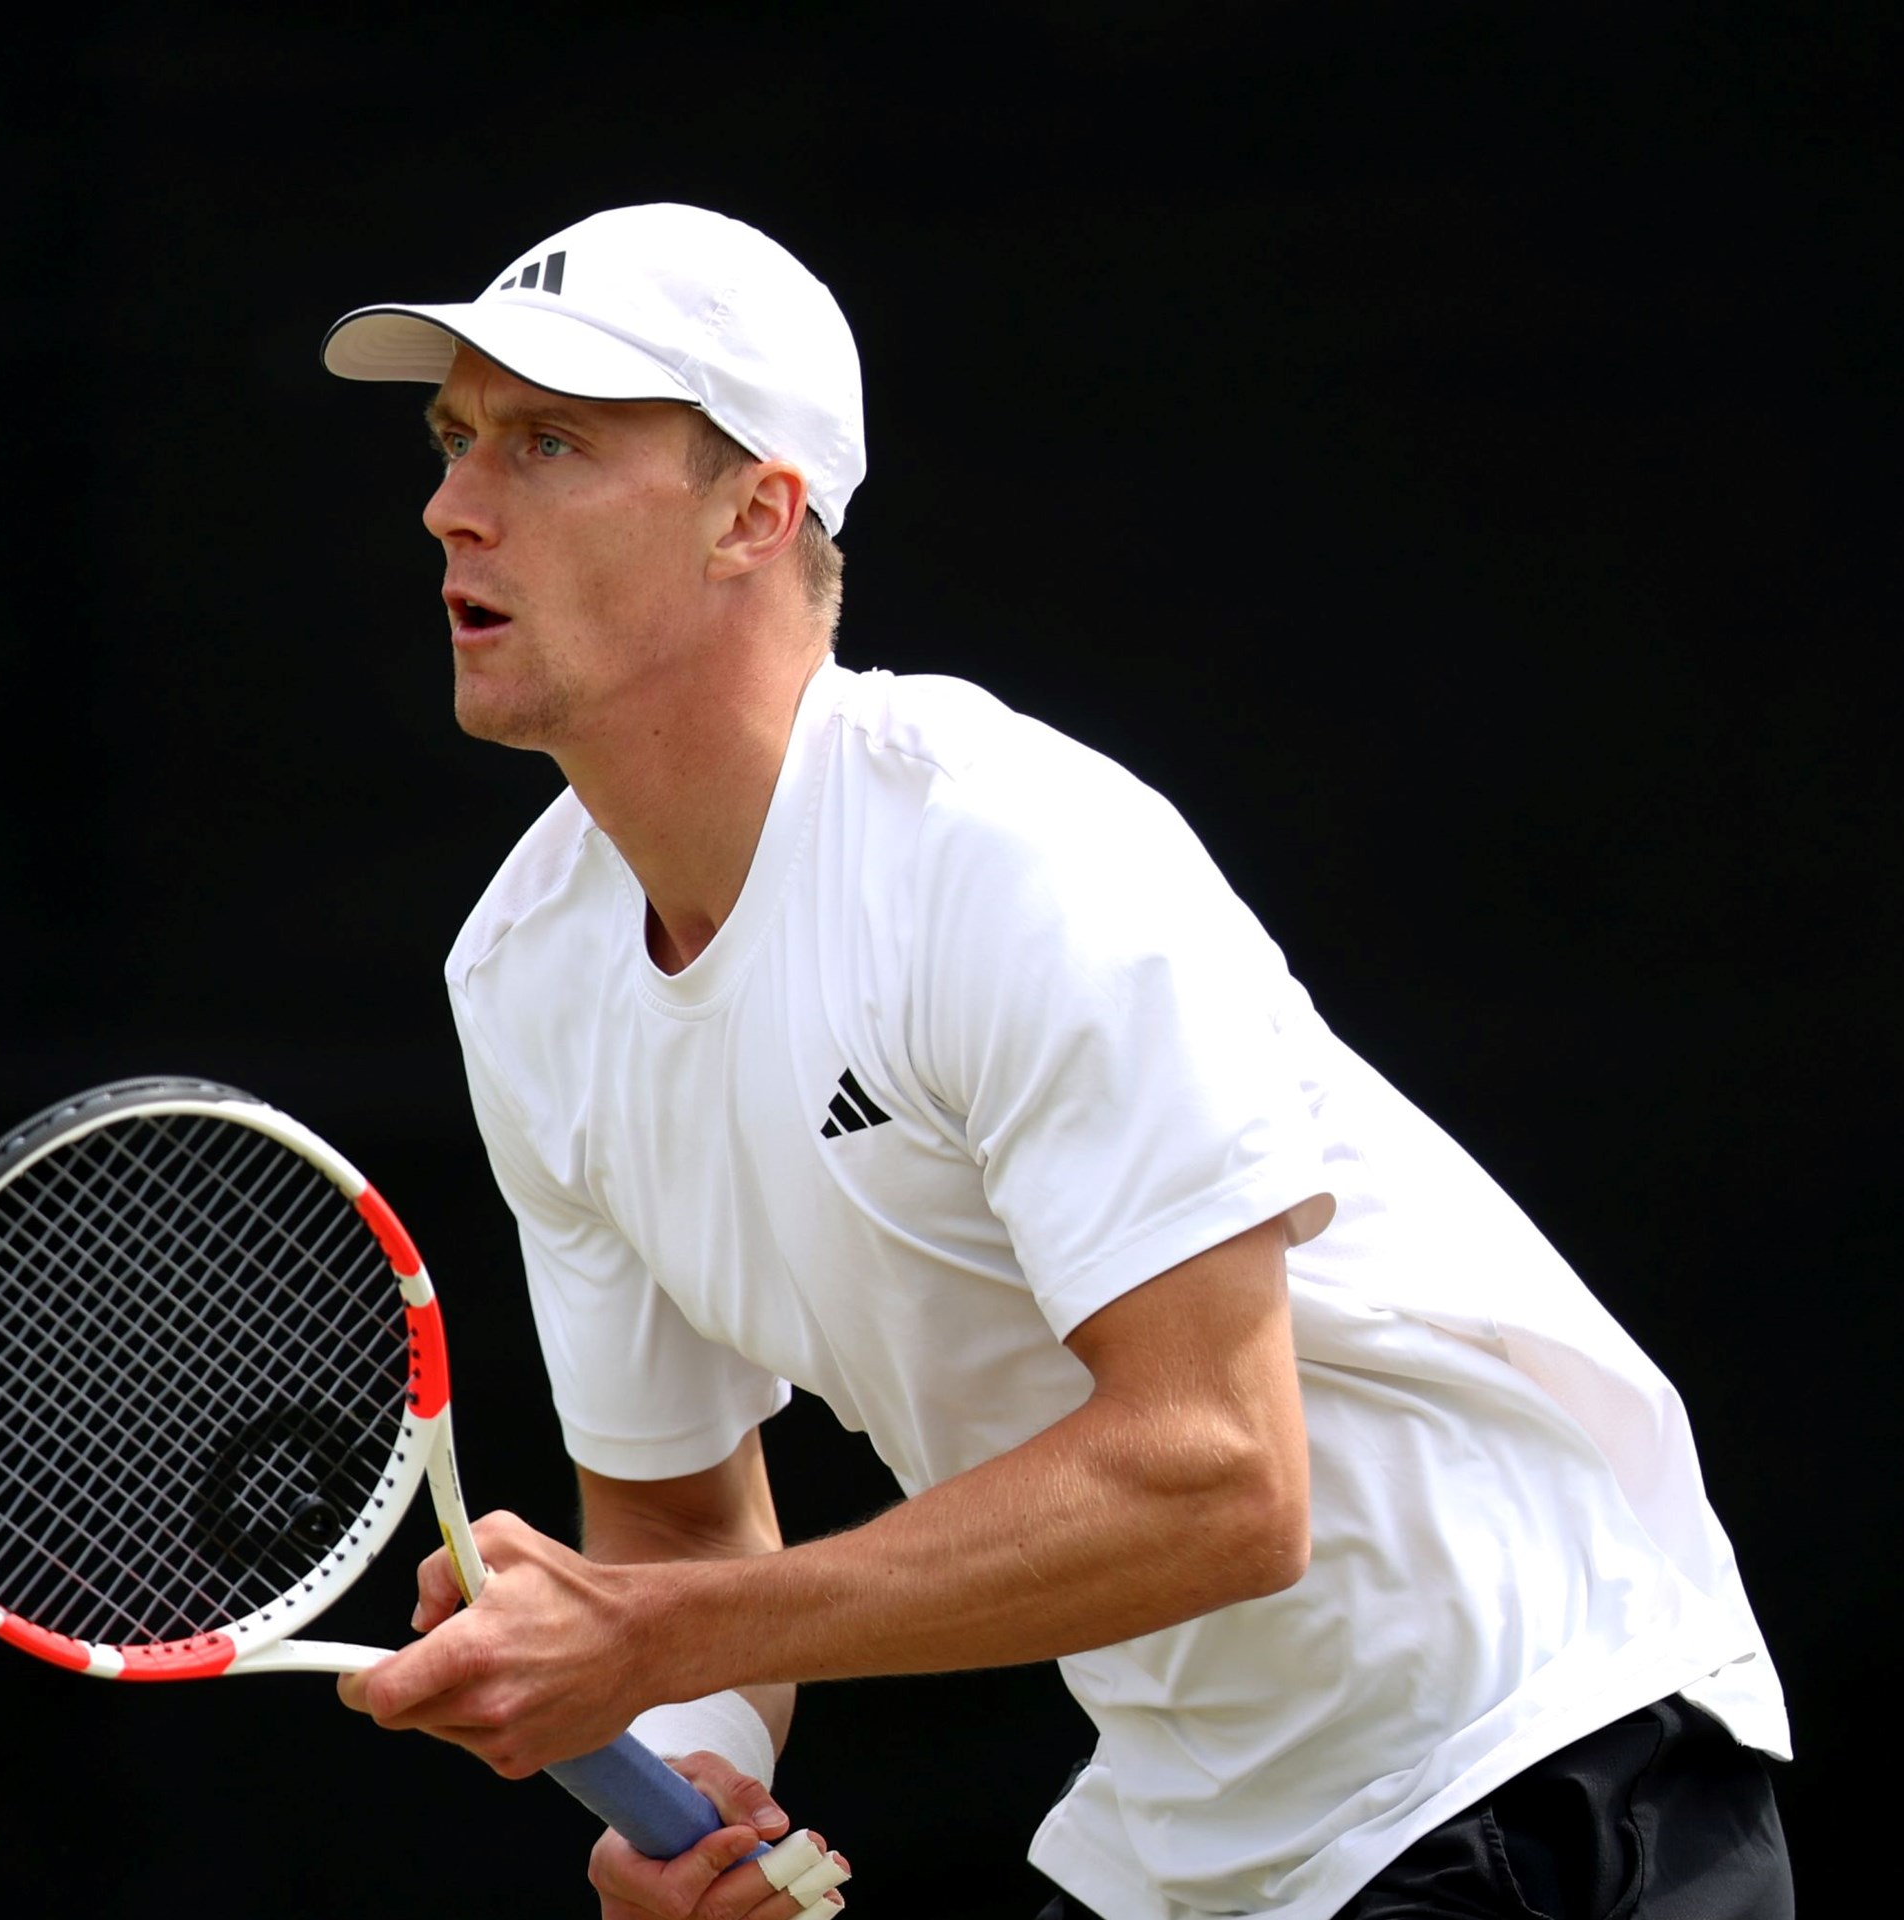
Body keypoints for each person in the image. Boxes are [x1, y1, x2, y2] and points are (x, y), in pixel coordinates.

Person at [320, 203, 1794, 1920]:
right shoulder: (524, 978)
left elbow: (1223, 1477)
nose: (452, 502)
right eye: (453, 438)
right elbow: (676, 1535)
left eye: (548, 440)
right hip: (1191, 1839)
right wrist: (691, 1780)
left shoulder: (1005, 852)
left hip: (1528, 1746)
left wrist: (647, 1638)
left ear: (756, 510)